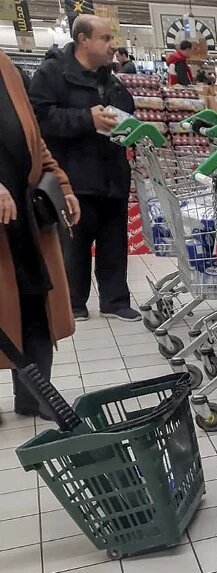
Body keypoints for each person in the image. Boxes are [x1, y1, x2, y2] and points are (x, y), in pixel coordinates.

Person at [30, 15, 137, 322]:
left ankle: (115, 300)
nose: (112, 45)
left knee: (114, 240)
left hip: (112, 172)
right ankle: (73, 302)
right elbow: (40, 120)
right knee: (74, 243)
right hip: (74, 175)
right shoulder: (52, 73)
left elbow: (126, 108)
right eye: (105, 38)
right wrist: (86, 119)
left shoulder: (108, 76)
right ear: (83, 40)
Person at [0, 51, 79, 420]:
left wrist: (62, 185)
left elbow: (34, 136)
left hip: (24, 211)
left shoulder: (6, 66)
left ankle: (35, 395)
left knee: (33, 301)